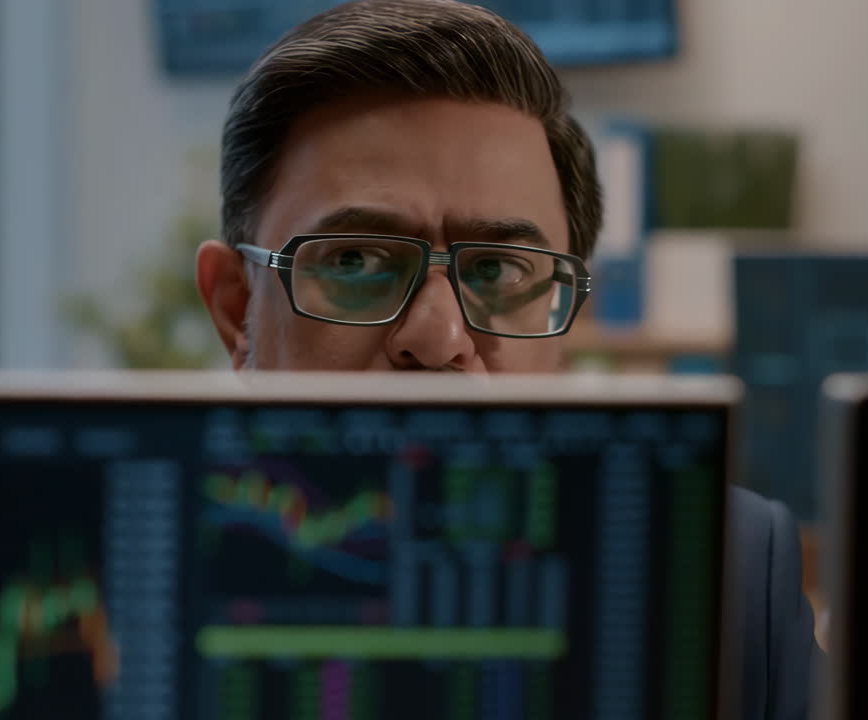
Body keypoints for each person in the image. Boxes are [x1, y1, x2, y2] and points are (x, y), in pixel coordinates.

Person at [196, 1, 818, 717]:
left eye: (495, 272)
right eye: (357, 259)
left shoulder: (727, 567)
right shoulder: (112, 569)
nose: (437, 338)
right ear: (238, 309)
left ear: (569, 316)